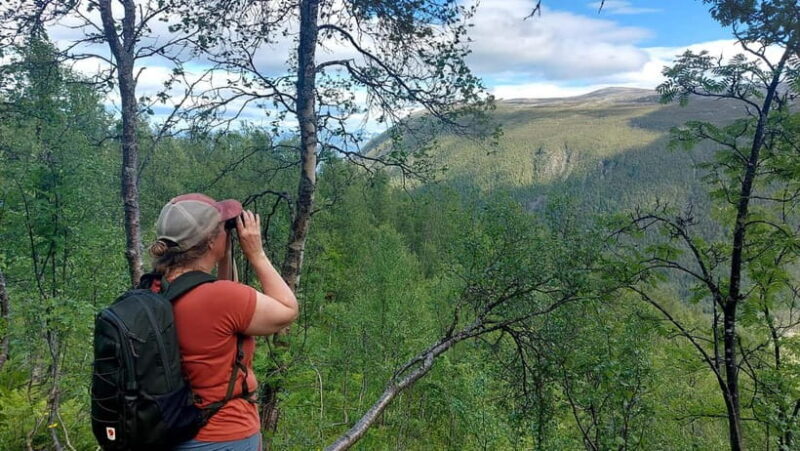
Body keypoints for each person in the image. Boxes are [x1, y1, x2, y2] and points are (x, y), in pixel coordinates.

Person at [145, 193, 298, 450]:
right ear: (209, 241)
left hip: (173, 430)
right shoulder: (221, 298)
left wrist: (224, 256)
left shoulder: (153, 289)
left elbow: (219, 308)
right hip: (225, 435)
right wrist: (257, 254)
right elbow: (287, 310)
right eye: (222, 228)